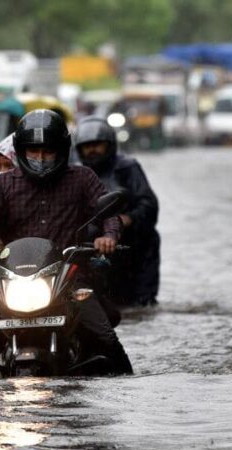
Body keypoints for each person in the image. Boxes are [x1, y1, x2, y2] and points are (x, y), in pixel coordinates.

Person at [0, 109, 133, 383]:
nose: (41, 159)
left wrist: (108, 238)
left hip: (69, 281)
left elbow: (109, 216)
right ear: (22, 151)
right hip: (12, 283)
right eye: (34, 152)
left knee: (107, 341)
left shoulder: (83, 178)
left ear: (62, 151)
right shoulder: (2, 185)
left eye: (48, 152)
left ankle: (131, 396)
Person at [74, 116, 160, 307]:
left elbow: (149, 204)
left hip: (134, 248)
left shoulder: (127, 167)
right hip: (93, 248)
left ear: (110, 145)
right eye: (87, 146)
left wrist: (127, 219)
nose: (92, 150)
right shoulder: (75, 173)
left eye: (98, 144)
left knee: (141, 305)